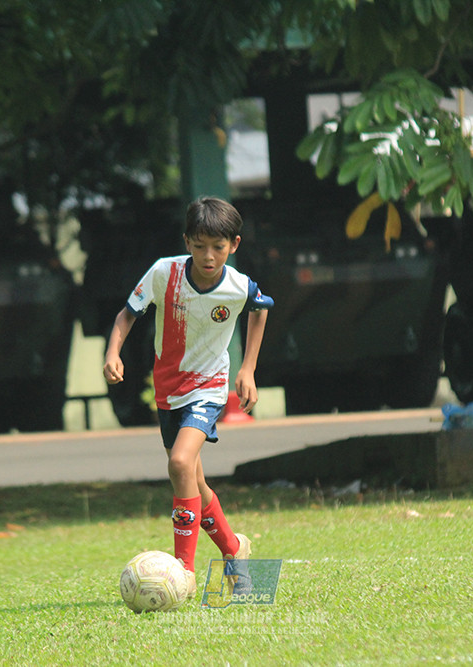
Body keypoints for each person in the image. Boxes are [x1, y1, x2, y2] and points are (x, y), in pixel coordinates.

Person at [103, 196, 273, 596]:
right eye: (199, 246)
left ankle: (185, 571)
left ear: (234, 244)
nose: (208, 256)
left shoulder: (237, 286)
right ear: (187, 242)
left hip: (208, 387)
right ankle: (235, 550)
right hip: (168, 390)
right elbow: (128, 313)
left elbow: (260, 308)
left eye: (218, 247)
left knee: (180, 462)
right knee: (193, 481)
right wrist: (113, 352)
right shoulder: (164, 273)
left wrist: (247, 369)